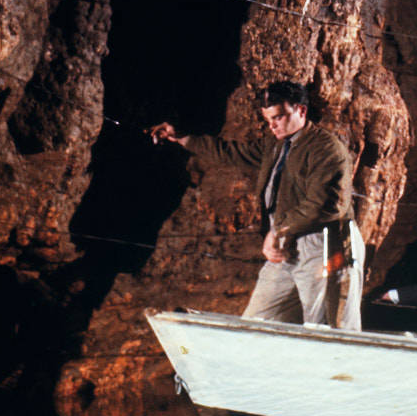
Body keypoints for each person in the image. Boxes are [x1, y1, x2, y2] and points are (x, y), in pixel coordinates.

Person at [150, 80, 362, 328]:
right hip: (285, 246)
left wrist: (277, 229)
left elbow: (324, 204)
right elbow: (232, 152)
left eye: (279, 117)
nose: (272, 125)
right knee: (257, 322)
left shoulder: (326, 149)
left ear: (301, 111)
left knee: (325, 328)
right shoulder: (276, 143)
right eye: (268, 119)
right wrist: (184, 138)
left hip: (324, 246)